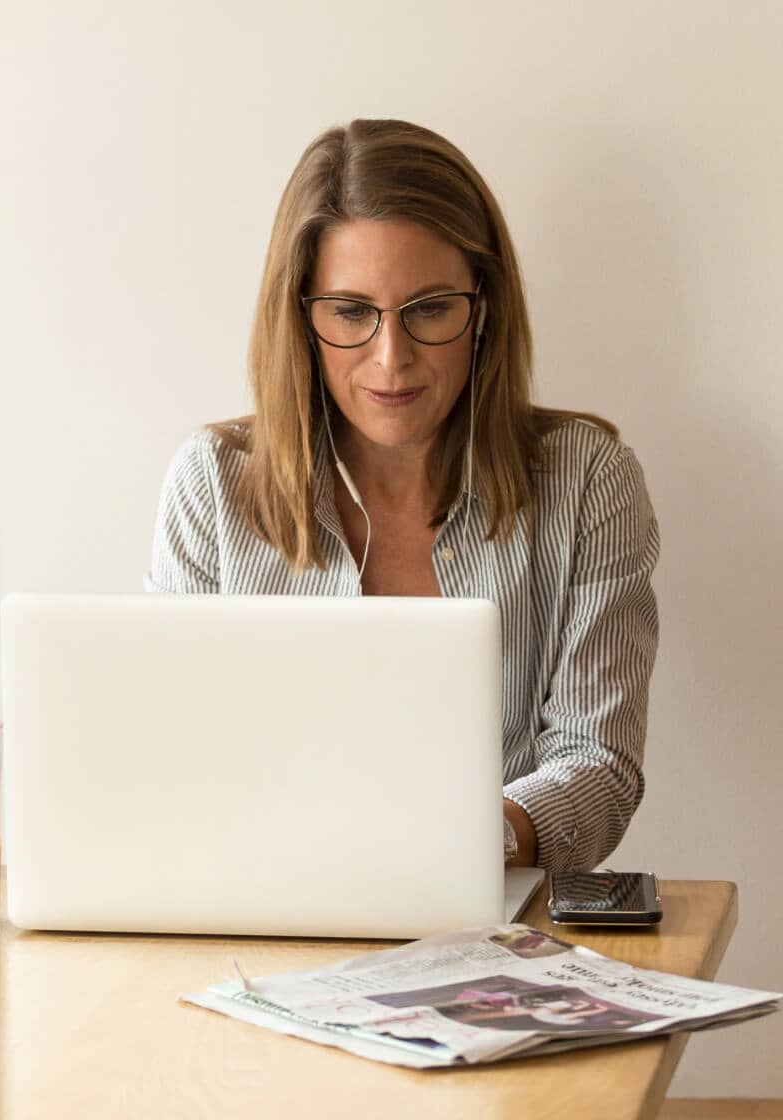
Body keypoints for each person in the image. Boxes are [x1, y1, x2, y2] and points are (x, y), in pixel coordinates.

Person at [145, 118, 659, 874]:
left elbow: (599, 765)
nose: (392, 359)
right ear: (301, 317)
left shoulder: (587, 479)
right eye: (352, 312)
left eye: (429, 309)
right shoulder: (212, 483)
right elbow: (171, 755)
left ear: (482, 307)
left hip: (495, 924)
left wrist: (459, 845)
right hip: (260, 912)